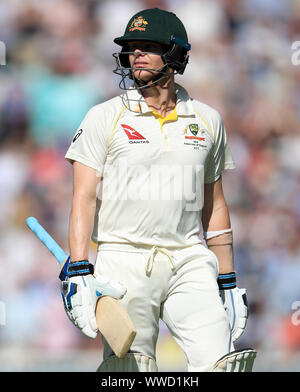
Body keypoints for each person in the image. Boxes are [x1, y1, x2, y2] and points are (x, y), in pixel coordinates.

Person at [60, 8, 256, 372]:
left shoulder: (208, 120)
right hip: (124, 258)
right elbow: (83, 200)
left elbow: (214, 206)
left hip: (189, 259)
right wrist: (80, 270)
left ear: (176, 54)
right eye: (132, 47)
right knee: (132, 370)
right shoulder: (105, 116)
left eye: (148, 46)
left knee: (224, 364)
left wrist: (228, 280)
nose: (136, 54)